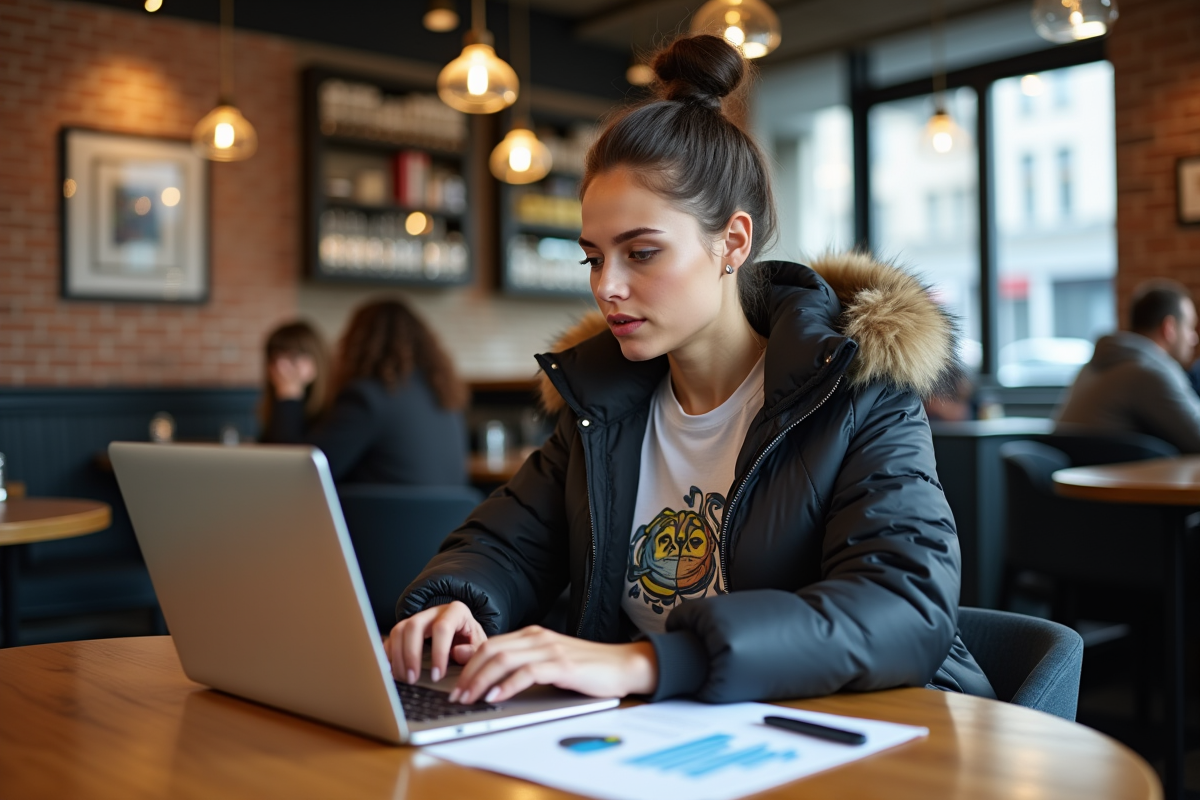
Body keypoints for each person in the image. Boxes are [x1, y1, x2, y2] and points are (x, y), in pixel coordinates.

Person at [385, 35, 993, 706]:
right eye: (593, 257)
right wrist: (452, 604)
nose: (607, 286)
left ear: (731, 242)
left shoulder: (856, 396)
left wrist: (649, 664)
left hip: (873, 738)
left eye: (641, 253)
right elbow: (505, 546)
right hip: (677, 739)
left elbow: (903, 607)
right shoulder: (601, 404)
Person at [265, 298, 469, 485]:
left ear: (358, 342)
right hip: (445, 522)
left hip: (380, 520)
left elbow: (298, 475)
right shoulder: (442, 395)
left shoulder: (366, 397)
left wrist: (288, 393)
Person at [1055, 279, 1200, 453]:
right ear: (1168, 328)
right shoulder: (1150, 372)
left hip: (1077, 476)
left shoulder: (1093, 367)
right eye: (1190, 327)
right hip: (1120, 477)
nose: (1194, 338)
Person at [259, 320, 330, 441]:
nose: (280, 367)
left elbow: (288, 456)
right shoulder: (273, 409)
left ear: (317, 360)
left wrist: (289, 393)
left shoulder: (336, 414)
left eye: (293, 356)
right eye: (273, 358)